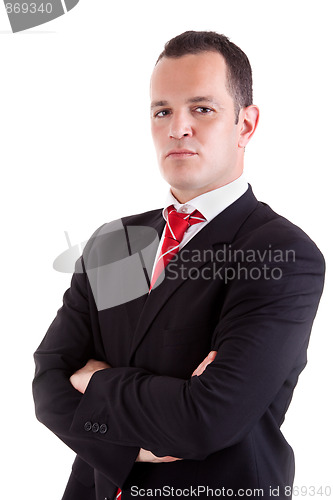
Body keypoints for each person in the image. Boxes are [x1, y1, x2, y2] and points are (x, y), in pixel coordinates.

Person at [33, 31, 325, 500]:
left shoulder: (281, 253)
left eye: (202, 109)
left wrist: (96, 382)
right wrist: (136, 447)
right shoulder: (115, 242)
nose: (177, 127)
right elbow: (48, 384)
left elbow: (207, 420)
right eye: (162, 110)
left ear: (246, 125)